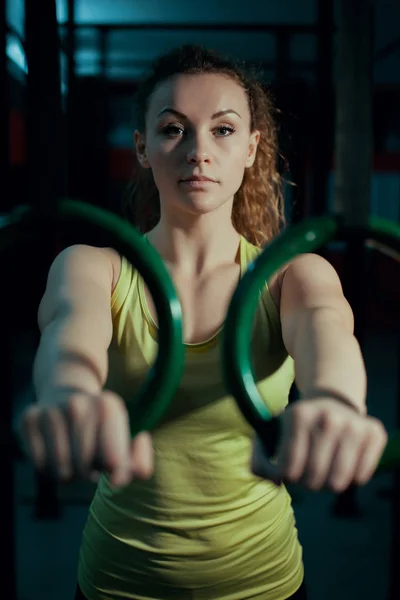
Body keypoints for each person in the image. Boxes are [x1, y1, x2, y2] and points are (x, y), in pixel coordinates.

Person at [21, 45, 388, 600]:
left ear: (251, 148)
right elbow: (70, 331)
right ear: (142, 148)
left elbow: (326, 329)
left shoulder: (292, 276)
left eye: (222, 130)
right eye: (173, 130)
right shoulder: (91, 268)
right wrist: (68, 390)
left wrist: (337, 402)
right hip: (117, 584)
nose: (198, 151)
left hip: (265, 584)